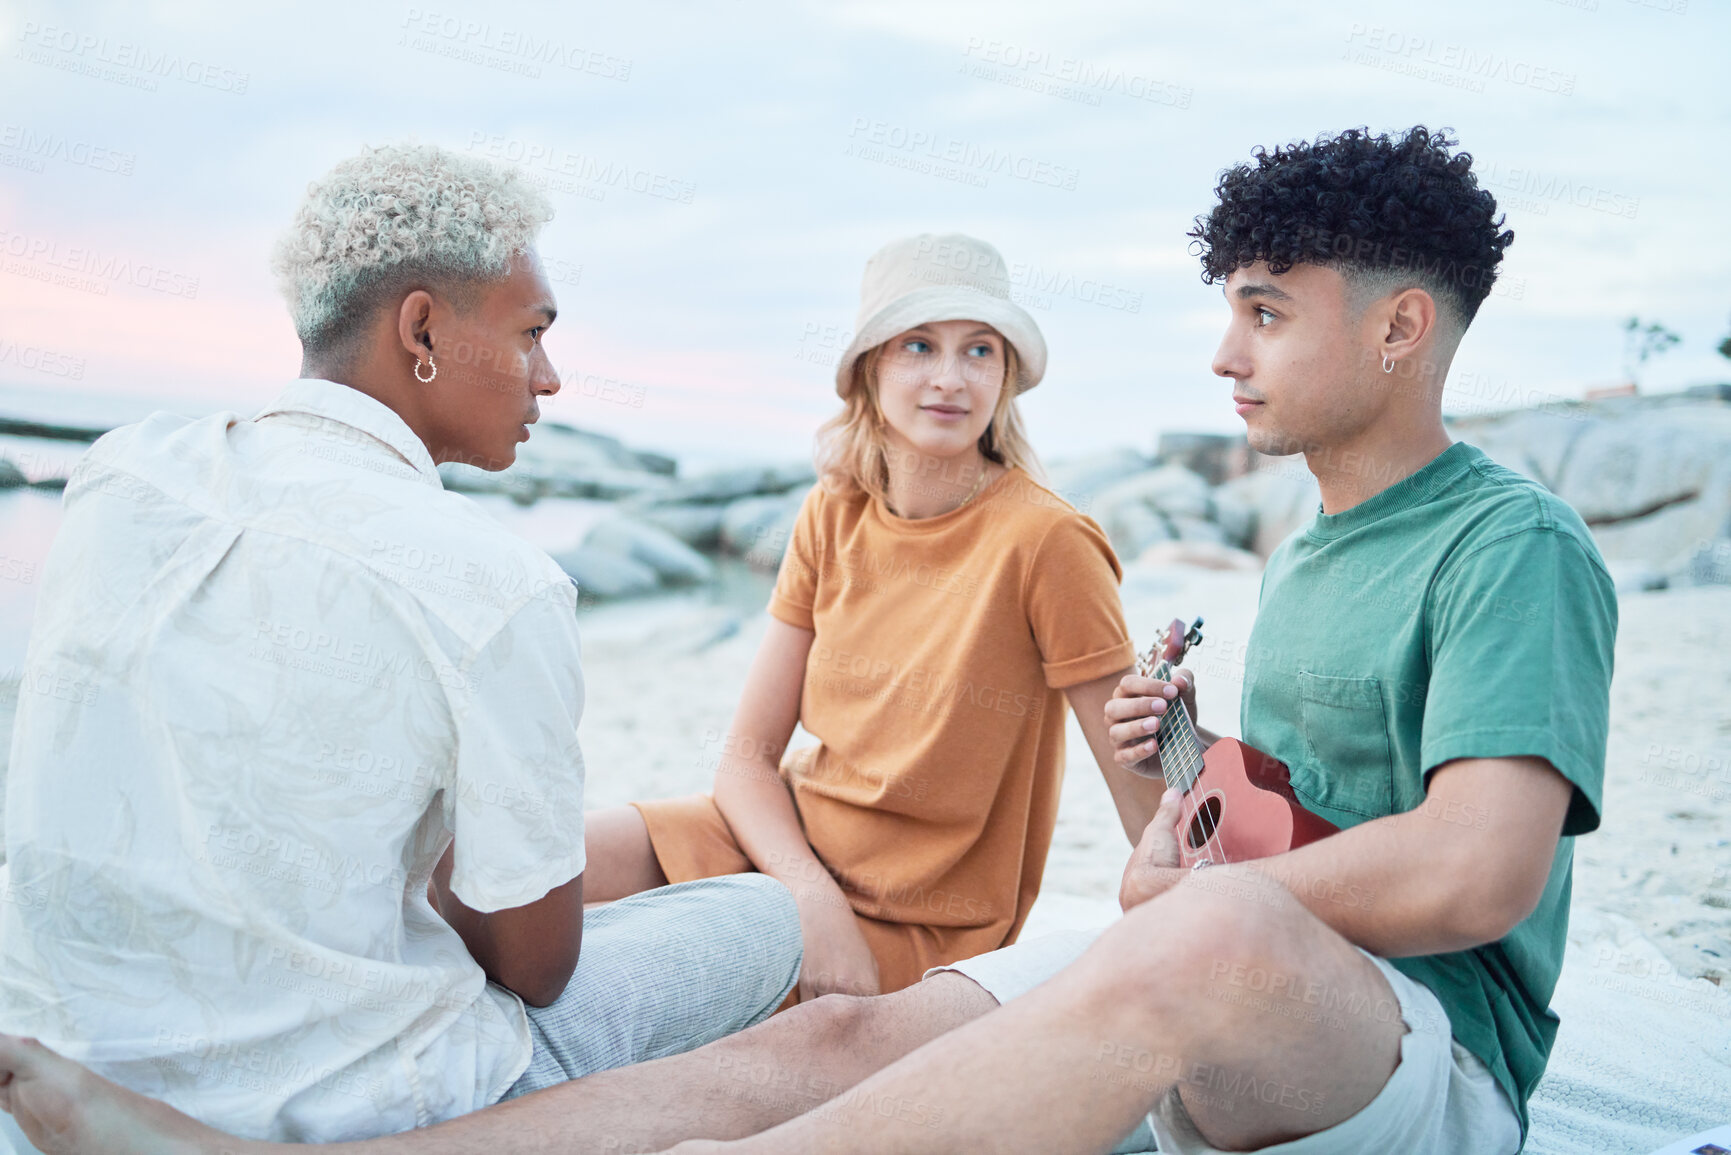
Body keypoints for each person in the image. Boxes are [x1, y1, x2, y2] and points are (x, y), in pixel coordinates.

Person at [0, 125, 1618, 1155]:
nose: (1220, 354)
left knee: (1185, 943)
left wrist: (1181, 889)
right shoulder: (1318, 544)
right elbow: (1234, 850)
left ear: (1400, 330)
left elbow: (1472, 876)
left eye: (1265, 311)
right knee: (844, 1035)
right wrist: (1185, 789)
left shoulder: (1510, 544)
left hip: (1420, 1053)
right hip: (1255, 984)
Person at [0, 143, 801, 1145]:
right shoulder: (494, 583)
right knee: (767, 923)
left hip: (63, 1040)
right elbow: (535, 968)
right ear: (421, 327)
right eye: (532, 333)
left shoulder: (127, 473)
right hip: (346, 1095)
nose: (549, 378)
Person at [582, 231, 1151, 1001]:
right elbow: (746, 759)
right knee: (520, 876)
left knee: (619, 987)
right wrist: (809, 898)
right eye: (919, 345)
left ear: (1006, 376)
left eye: (979, 351)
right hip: (781, 848)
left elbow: (1137, 782)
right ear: (869, 368)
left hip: (911, 916)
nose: (951, 378)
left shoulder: (1047, 540)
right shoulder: (831, 512)